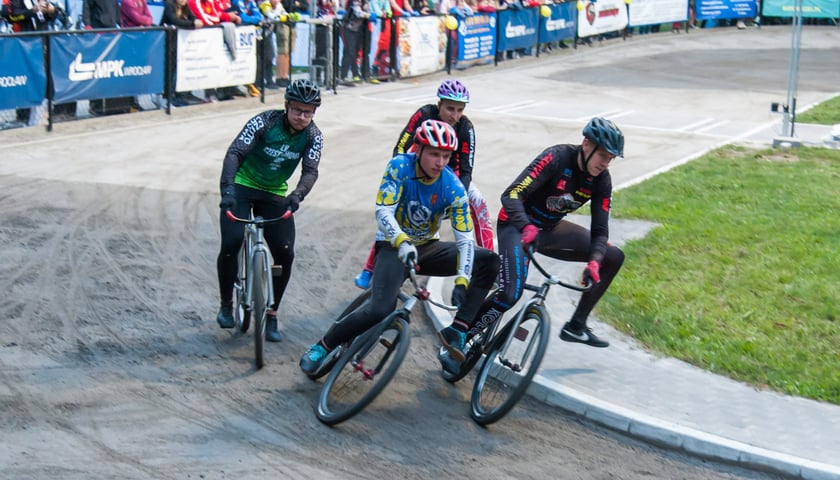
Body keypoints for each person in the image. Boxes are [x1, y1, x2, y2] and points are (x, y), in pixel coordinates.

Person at [299, 119, 499, 374]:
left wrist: (462, 280)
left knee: (490, 260)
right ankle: (323, 346)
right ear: (420, 150)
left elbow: (465, 239)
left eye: (446, 156)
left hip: (427, 247)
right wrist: (401, 240)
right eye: (435, 154)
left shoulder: (453, 187)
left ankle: (458, 331)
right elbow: (383, 210)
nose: (440, 162)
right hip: (393, 245)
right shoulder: (400, 167)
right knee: (381, 308)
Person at [438, 117, 626, 372]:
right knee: (510, 293)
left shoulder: (602, 179)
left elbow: (600, 230)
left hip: (550, 230)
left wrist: (594, 260)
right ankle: (458, 338)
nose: (605, 163)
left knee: (613, 256)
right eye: (603, 155)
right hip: (516, 225)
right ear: (586, 144)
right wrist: (526, 225)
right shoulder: (557, 158)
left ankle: (576, 326)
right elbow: (511, 195)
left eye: (610, 158)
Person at [353, 79, 494, 289]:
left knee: (479, 203)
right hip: (418, 168)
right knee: (396, 211)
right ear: (439, 105)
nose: (454, 116)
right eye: (449, 109)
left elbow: (466, 170)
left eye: (459, 110)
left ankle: (486, 258)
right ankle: (370, 267)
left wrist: (457, 199)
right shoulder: (424, 114)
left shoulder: (466, 127)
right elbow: (401, 146)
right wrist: (401, 179)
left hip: (449, 177)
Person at [215, 79, 324, 343]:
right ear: (286, 106)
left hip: (274, 192)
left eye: (308, 112)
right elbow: (235, 153)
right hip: (242, 185)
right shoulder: (264, 122)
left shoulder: (313, 136)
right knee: (232, 240)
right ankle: (226, 303)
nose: (301, 117)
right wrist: (227, 190)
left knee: (285, 253)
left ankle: (272, 312)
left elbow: (310, 171)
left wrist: (297, 195)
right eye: (297, 110)